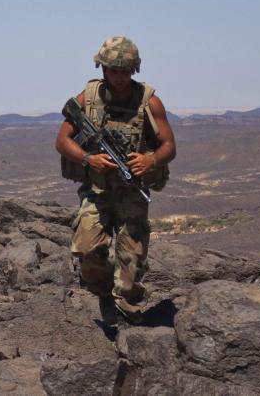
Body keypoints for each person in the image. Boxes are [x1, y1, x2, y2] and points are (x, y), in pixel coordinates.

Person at [55, 36, 176, 327]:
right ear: (104, 69)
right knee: (86, 250)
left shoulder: (149, 102)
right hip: (97, 191)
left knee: (132, 258)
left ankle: (127, 309)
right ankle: (105, 294)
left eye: (125, 71)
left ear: (133, 70)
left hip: (132, 192)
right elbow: (62, 140)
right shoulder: (88, 98)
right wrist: (88, 159)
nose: (119, 78)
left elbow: (169, 146)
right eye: (114, 71)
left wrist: (150, 161)